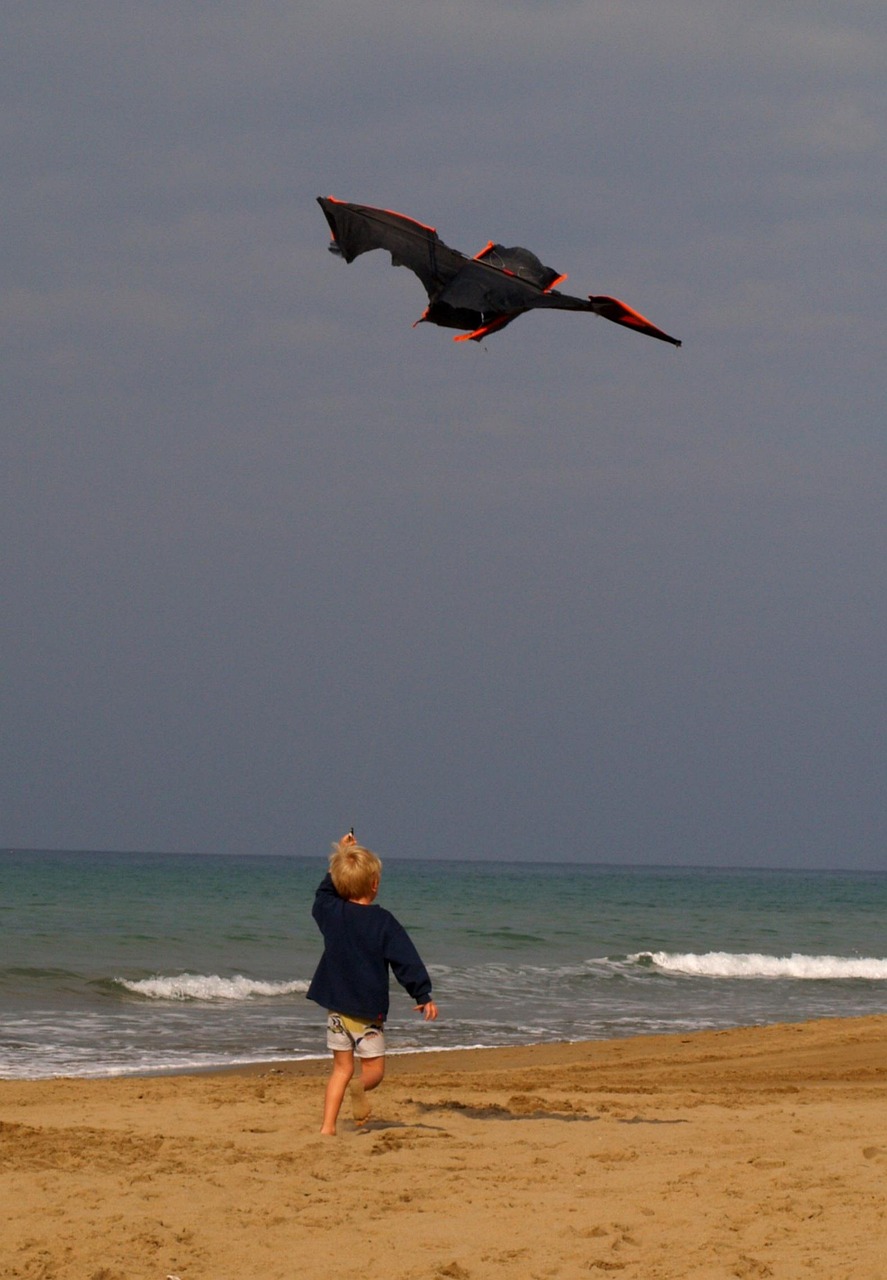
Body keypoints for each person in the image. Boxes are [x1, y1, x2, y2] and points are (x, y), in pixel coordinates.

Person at [307, 832, 438, 1135]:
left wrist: (340, 856)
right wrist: (422, 993)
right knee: (374, 1071)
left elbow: (321, 896)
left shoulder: (332, 913)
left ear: (339, 885)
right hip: (368, 1014)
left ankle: (327, 1127)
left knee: (340, 1069)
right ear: (375, 885)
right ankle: (360, 1089)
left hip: (337, 1010)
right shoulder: (383, 922)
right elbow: (406, 959)